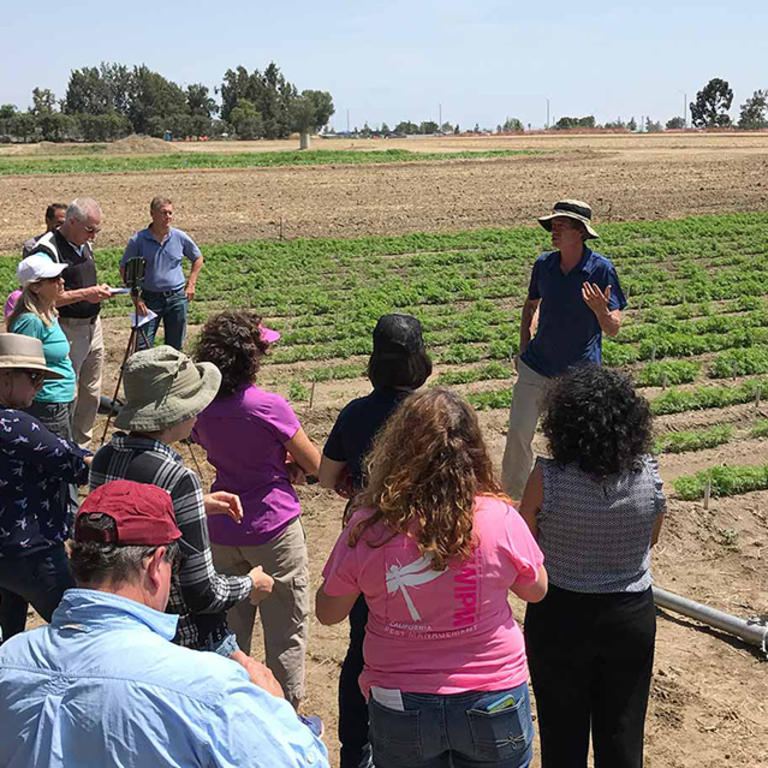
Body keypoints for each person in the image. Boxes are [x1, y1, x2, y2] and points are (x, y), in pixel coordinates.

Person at [0, 480, 329, 768]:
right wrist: (277, 711)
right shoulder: (210, 689)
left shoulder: (9, 659)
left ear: (73, 558)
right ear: (156, 565)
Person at [317, 389, 548, 768]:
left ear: (397, 449)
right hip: (492, 694)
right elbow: (536, 590)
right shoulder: (499, 518)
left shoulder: (369, 526)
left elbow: (328, 612)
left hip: (400, 700)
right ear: (473, 450)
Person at [519, 365, 666, 768]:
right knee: (622, 736)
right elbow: (650, 539)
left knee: (561, 737)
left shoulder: (546, 478)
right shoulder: (648, 474)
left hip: (559, 614)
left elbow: (526, 545)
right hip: (630, 615)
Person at [90, 345, 273, 668]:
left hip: (124, 624)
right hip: (181, 636)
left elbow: (132, 519)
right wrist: (251, 583)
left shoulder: (105, 458)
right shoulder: (178, 477)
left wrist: (194, 506)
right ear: (177, 413)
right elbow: (202, 591)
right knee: (262, 686)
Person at [317, 312, 432, 768]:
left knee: (362, 645)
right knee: (422, 644)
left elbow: (326, 477)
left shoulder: (355, 413)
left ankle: (355, 750)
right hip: (426, 547)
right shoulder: (432, 416)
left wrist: (354, 483)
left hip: (369, 545)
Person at [192, 310, 321, 708]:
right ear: (250, 358)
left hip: (222, 527)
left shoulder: (202, 405)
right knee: (286, 631)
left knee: (230, 635)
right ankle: (287, 717)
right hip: (273, 527)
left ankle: (234, 710)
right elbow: (315, 465)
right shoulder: (268, 406)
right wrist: (286, 467)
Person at [501, 199, 627, 499]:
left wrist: (601, 311)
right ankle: (513, 501)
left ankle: (573, 501)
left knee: (576, 442)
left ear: (580, 231)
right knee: (519, 434)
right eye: (552, 225)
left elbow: (613, 329)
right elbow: (531, 305)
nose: (553, 230)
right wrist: (523, 346)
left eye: (561, 225)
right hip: (537, 366)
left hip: (579, 376)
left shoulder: (601, 270)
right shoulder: (544, 265)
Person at [0, 333, 90, 644]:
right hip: (33, 554)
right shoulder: (16, 424)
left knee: (9, 637)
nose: (40, 385)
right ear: (6, 377)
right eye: (35, 376)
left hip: (5, 552)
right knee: (80, 633)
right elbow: (74, 465)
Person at [29, 197, 112, 448]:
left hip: (92, 325)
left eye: (97, 230)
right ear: (72, 222)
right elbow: (43, 297)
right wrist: (87, 293)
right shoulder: (48, 249)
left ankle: (82, 446)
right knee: (66, 388)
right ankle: (62, 444)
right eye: (90, 230)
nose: (93, 236)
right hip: (66, 328)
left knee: (91, 390)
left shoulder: (84, 244)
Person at [121, 196, 204, 350]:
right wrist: (136, 298)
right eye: (164, 213)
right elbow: (124, 269)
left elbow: (198, 258)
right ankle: (146, 374)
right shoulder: (138, 240)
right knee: (142, 346)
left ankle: (172, 374)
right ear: (152, 214)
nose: (168, 217)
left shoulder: (179, 237)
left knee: (175, 347)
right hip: (149, 300)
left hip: (177, 298)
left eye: (170, 213)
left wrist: (191, 284)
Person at [8, 255, 76, 441]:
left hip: (60, 398)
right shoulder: (30, 321)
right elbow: (21, 365)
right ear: (36, 286)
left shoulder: (48, 313)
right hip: (47, 403)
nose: (61, 281)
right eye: (54, 279)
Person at [4, 204, 68, 320]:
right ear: (47, 221)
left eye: (65, 224)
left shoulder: (69, 245)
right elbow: (31, 277)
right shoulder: (32, 246)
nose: (61, 228)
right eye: (59, 223)